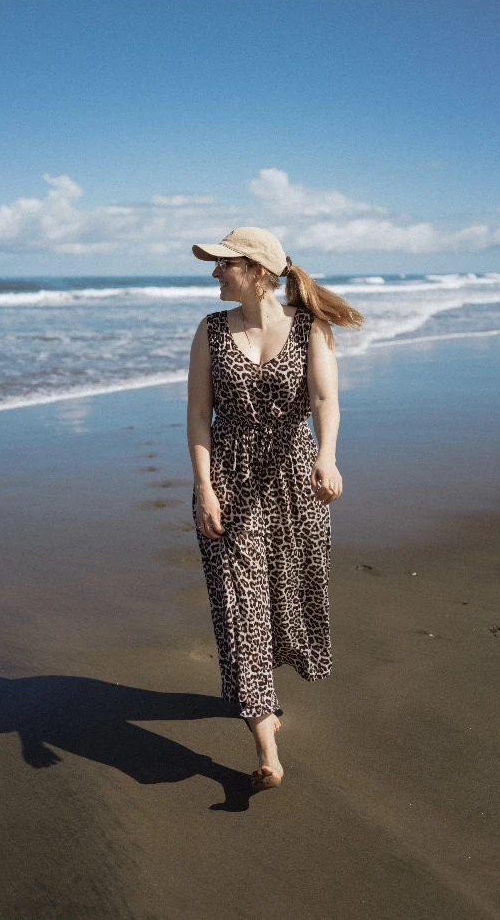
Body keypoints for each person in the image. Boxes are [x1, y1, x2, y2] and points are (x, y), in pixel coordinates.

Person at [186, 227, 364, 793]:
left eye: (224, 265)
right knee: (240, 608)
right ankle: (266, 744)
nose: (215, 274)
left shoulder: (311, 328)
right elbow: (197, 419)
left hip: (293, 480)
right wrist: (205, 489)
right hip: (230, 481)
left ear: (258, 273)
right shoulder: (209, 332)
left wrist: (328, 458)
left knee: (284, 598)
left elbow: (324, 399)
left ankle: (260, 693)